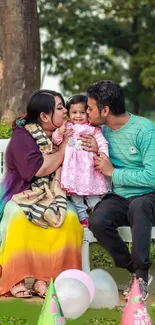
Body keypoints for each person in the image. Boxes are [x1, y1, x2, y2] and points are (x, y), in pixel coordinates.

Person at [0, 90, 83, 298]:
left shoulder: (69, 131)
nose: (66, 111)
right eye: (60, 107)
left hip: (56, 195)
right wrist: (63, 148)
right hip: (21, 194)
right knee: (19, 219)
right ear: (45, 116)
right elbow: (39, 169)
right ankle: (15, 278)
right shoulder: (23, 136)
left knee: (69, 219)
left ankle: (45, 279)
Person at [82, 80, 155, 301]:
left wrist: (113, 172)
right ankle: (133, 269)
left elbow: (152, 176)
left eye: (90, 108)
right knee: (97, 221)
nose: (87, 112)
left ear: (106, 110)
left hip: (147, 196)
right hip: (119, 196)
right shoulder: (100, 131)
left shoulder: (144, 130)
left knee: (139, 206)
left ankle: (141, 277)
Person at [52, 94, 110, 227]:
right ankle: (83, 218)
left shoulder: (93, 129)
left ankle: (98, 217)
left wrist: (103, 156)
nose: (78, 116)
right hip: (73, 170)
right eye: (74, 112)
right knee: (76, 196)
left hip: (89, 169)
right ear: (68, 113)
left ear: (88, 113)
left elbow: (102, 143)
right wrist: (59, 133)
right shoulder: (66, 127)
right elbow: (56, 141)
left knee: (93, 196)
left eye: (82, 112)